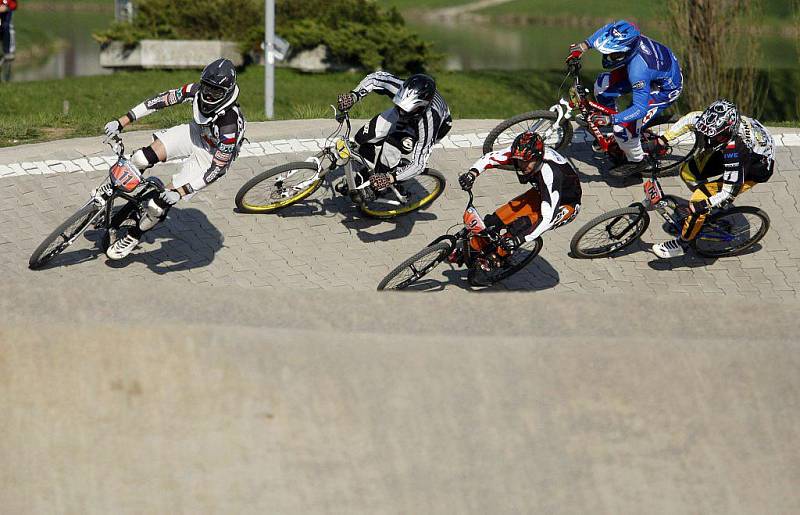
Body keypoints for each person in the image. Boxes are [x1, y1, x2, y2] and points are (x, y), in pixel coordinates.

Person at [102, 57, 246, 260]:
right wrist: (123, 120)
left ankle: (134, 236)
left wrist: (181, 191)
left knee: (157, 205)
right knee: (140, 159)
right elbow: (159, 101)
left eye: (215, 92)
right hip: (197, 133)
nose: (208, 94)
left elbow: (217, 170)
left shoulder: (229, 126)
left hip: (210, 156)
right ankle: (109, 193)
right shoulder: (195, 90)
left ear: (227, 93)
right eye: (206, 87)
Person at [651, 99, 775, 258]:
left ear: (727, 132)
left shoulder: (735, 151)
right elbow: (689, 120)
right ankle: (709, 211)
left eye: (715, 137)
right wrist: (663, 139)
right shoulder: (715, 124)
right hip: (737, 149)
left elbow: (729, 192)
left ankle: (683, 244)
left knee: (698, 203)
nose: (708, 140)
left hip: (753, 168)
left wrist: (703, 204)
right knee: (687, 173)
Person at [566, 20, 682, 172]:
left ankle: (637, 160)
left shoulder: (638, 72)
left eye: (614, 55)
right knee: (602, 87)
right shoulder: (627, 31)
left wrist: (613, 119)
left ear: (626, 51)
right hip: (653, 71)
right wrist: (584, 45)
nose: (609, 57)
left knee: (622, 128)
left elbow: (639, 109)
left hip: (663, 89)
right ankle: (614, 133)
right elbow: (608, 28)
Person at [458, 131, 582, 261]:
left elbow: (548, 218)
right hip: (542, 192)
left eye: (526, 163)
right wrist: (472, 174)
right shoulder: (521, 153)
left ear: (537, 158)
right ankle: (472, 249)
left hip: (565, 204)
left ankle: (494, 261)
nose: (522, 166)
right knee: (495, 221)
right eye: (519, 162)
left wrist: (520, 239)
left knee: (519, 229)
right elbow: (490, 158)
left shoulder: (550, 173)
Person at [336, 71, 452, 195]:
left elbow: (419, 164)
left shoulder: (429, 122)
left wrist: (390, 179)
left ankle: (381, 186)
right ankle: (365, 175)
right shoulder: (400, 88)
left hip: (423, 127)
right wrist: (354, 95)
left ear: (421, 107)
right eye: (400, 106)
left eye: (405, 109)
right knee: (362, 138)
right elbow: (375, 78)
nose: (401, 112)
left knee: (391, 147)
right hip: (408, 111)